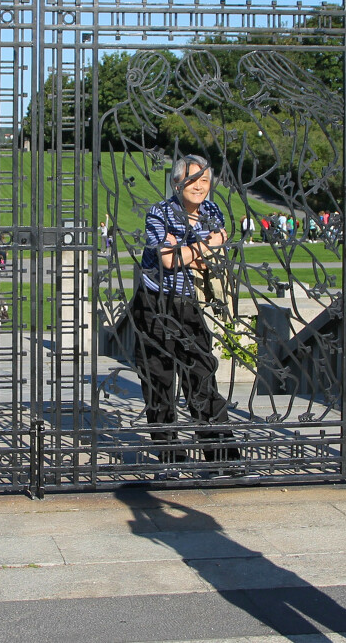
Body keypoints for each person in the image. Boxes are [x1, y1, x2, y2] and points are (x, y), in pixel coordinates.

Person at [127, 154, 239, 463]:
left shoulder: (212, 211)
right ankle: (170, 457)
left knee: (202, 377)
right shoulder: (159, 213)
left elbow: (205, 259)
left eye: (205, 180)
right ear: (177, 182)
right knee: (159, 384)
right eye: (193, 179)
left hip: (188, 304)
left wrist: (190, 249)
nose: (200, 186)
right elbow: (169, 260)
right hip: (153, 305)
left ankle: (223, 458)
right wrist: (206, 244)